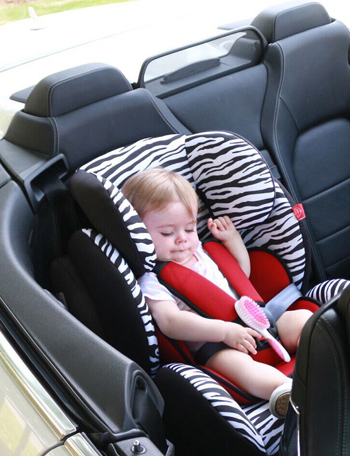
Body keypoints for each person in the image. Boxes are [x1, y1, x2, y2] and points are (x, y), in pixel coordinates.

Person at [122, 168, 312, 417]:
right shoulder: (151, 280)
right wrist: (224, 331)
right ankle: (288, 392)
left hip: (264, 324)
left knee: (303, 319)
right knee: (241, 368)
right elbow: (170, 322)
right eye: (167, 233)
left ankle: (329, 351)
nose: (182, 239)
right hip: (217, 347)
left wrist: (232, 240)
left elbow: (241, 274)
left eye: (189, 228)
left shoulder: (203, 252)